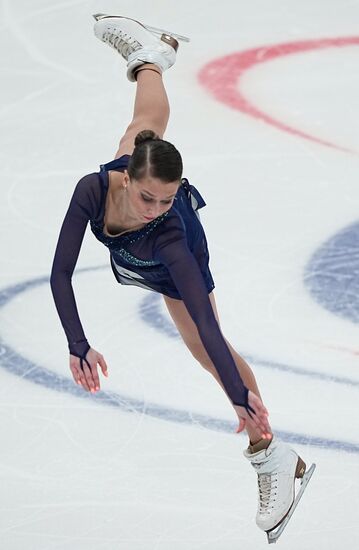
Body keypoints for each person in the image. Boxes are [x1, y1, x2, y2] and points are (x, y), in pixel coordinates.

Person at [50, 14, 311, 538]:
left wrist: (238, 394)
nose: (154, 208)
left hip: (175, 258)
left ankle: (274, 456)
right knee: (143, 127)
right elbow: (61, 274)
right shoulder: (95, 188)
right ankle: (150, 57)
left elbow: (207, 326)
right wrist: (78, 343)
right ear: (125, 178)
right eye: (148, 196)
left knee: (205, 347)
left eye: (166, 198)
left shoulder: (169, 232)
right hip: (131, 177)